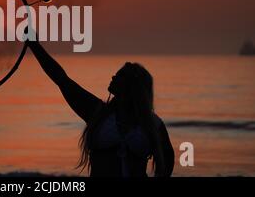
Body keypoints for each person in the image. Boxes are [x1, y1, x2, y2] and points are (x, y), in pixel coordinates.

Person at [25, 32, 175, 177]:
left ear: (132, 86)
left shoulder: (153, 124)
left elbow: (167, 163)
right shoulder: (98, 112)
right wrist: (35, 46)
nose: (113, 76)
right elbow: (62, 80)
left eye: (120, 75)